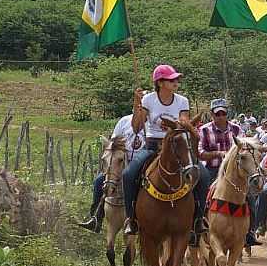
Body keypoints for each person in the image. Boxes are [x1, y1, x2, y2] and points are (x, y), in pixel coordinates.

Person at [121, 64, 211, 238]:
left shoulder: (182, 101)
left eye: (176, 79)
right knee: (128, 174)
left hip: (178, 146)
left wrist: (176, 125)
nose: (176, 82)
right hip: (153, 145)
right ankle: (131, 218)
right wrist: (136, 105)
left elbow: (184, 121)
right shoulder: (148, 100)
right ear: (160, 82)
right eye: (171, 79)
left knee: (204, 175)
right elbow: (136, 127)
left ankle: (199, 219)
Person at [77, 112, 146, 233]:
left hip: (144, 165)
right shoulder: (125, 121)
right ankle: (96, 218)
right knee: (99, 181)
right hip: (120, 164)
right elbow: (112, 144)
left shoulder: (152, 123)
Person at [198, 98, 243, 182]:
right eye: (218, 114)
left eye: (224, 113)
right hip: (212, 169)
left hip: (234, 168)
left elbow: (243, 148)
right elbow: (200, 153)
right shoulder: (204, 130)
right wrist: (218, 154)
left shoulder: (236, 129)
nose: (221, 116)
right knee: (202, 185)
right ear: (212, 114)